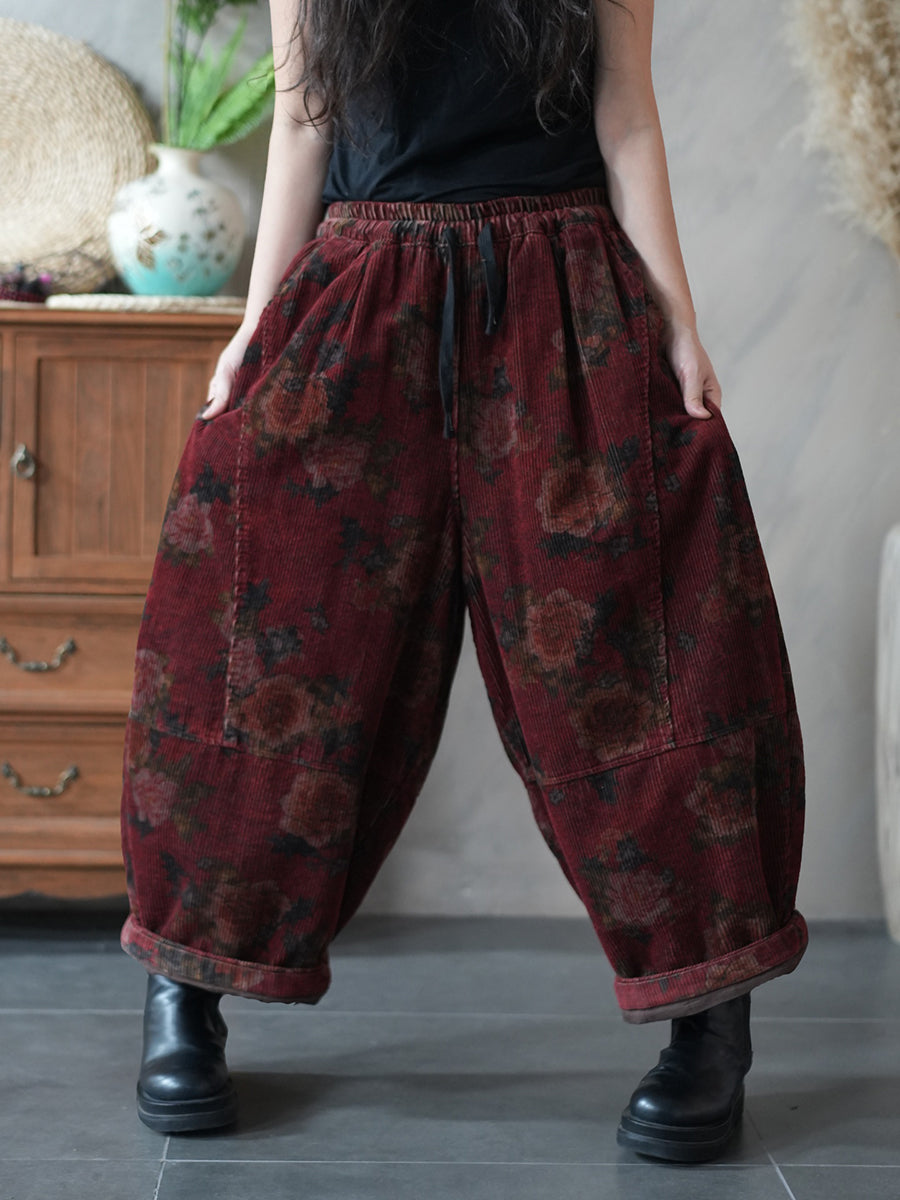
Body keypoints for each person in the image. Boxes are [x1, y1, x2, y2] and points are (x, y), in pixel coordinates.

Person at [121, 0, 808, 1163]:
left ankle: (710, 1019)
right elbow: (303, 123)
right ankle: (185, 989)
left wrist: (680, 321)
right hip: (361, 289)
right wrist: (255, 328)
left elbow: (628, 120)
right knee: (253, 633)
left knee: (645, 649)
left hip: (564, 294)